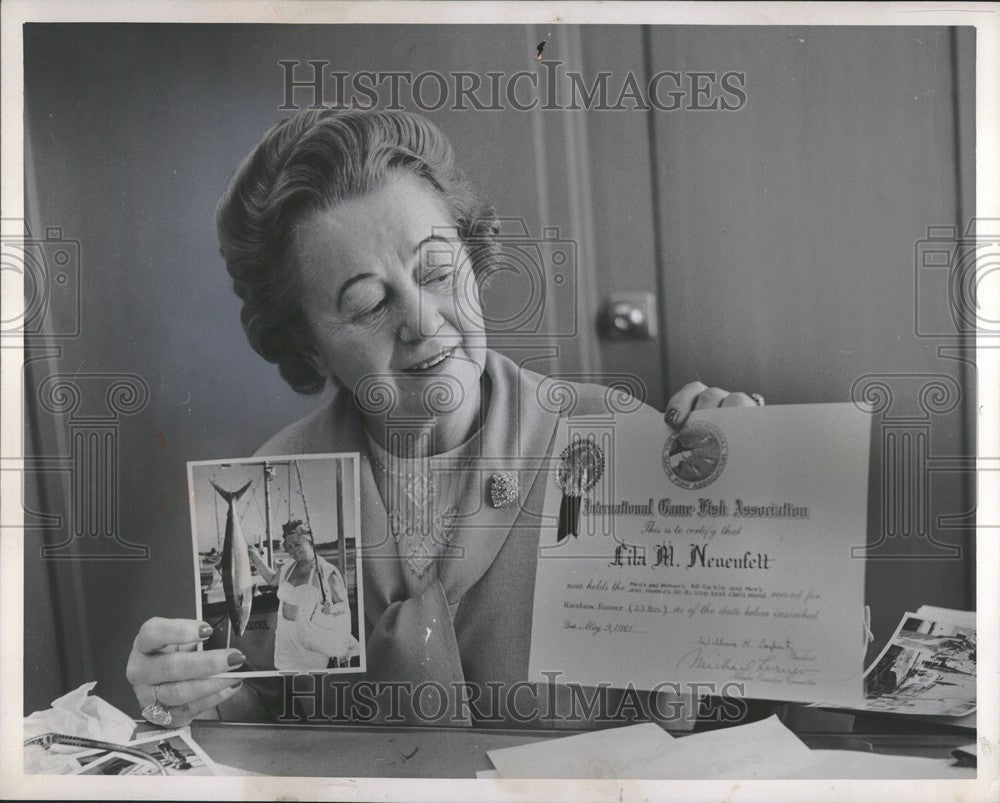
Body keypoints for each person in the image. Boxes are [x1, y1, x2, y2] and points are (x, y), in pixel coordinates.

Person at [126, 107, 765, 727]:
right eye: (370, 303)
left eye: (436, 271)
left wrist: (759, 509)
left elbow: (737, 709)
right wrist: (186, 698)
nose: (424, 321)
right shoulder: (277, 476)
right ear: (308, 347)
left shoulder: (621, 438)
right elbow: (263, 715)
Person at [247, 520, 357, 671]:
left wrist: (331, 609)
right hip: (286, 638)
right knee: (291, 683)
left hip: (312, 641)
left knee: (314, 682)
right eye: (289, 547)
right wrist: (255, 557)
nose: (293, 550)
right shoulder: (288, 567)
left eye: (297, 544)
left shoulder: (326, 571)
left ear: (310, 541)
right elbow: (272, 581)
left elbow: (343, 605)